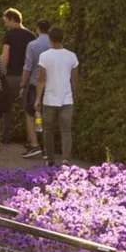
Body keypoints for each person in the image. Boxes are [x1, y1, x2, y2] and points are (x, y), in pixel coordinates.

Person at [34, 27, 78, 166]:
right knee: (66, 131)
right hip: (67, 99)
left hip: (49, 99)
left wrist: (38, 98)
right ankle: (66, 159)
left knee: (48, 130)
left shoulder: (44, 56)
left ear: (50, 39)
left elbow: (42, 79)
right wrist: (74, 95)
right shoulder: (71, 56)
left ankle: (50, 158)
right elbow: (75, 80)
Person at [0, 9, 35, 147]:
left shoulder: (9, 35)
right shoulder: (31, 35)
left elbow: (5, 55)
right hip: (26, 76)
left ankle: (6, 136)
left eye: (6, 21)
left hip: (10, 76)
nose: (5, 24)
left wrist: (1, 72)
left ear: (12, 19)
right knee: (28, 110)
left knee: (7, 108)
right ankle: (31, 139)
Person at [19, 19, 52, 159]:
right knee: (48, 115)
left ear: (37, 29)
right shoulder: (54, 44)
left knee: (30, 113)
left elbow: (28, 66)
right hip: (52, 84)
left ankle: (34, 144)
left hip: (35, 83)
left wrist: (23, 84)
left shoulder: (33, 45)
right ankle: (47, 147)